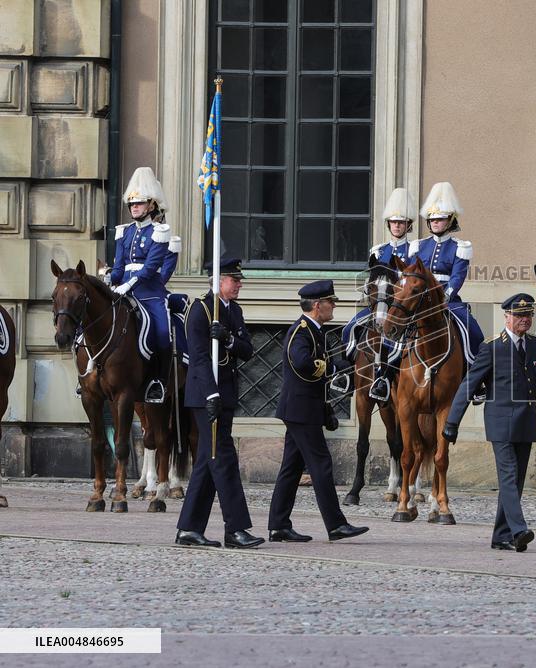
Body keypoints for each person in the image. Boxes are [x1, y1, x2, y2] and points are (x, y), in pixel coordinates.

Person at [443, 294, 536, 552]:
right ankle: (518, 529)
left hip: (525, 423)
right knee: (508, 476)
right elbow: (468, 386)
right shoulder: (492, 347)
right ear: (507, 317)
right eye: (518, 316)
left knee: (516, 482)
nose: (524, 320)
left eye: (528, 316)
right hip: (500, 423)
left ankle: (500, 536)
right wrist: (452, 422)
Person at [268, 280, 369, 543]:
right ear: (317, 305)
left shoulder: (315, 331)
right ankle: (336, 524)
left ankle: (279, 525)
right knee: (321, 465)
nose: (334, 305)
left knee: (291, 468)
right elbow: (301, 362)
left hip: (305, 409)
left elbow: (317, 363)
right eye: (330, 302)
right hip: (300, 410)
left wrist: (345, 362)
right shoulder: (301, 331)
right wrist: (333, 368)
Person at [175, 257, 263, 548]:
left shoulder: (233, 310)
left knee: (206, 461)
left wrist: (226, 341)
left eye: (238, 280)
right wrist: (211, 395)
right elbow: (199, 359)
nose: (238, 284)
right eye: (233, 279)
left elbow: (247, 350)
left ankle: (189, 528)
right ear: (217, 281)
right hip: (206, 396)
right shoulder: (200, 310)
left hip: (225, 394)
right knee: (224, 459)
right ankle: (235, 529)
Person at [341, 187, 415, 402]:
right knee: (350, 328)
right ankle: (345, 375)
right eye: (393, 222)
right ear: (389, 224)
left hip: (401, 309)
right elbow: (370, 280)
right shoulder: (378, 250)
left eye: (401, 222)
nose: (397, 226)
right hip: (378, 305)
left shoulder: (414, 250)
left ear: (408, 225)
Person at [110, 167, 173, 403]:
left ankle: (159, 381)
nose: (134, 207)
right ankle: (91, 373)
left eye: (140, 203)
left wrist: (130, 285)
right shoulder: (123, 233)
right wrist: (111, 281)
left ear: (151, 205)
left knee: (163, 335)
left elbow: (150, 268)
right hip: (124, 291)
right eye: (132, 204)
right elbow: (119, 267)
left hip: (150, 293)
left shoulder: (160, 232)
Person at [410, 182, 485, 365]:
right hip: (419, 301)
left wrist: (444, 297)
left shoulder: (460, 246)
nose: (435, 222)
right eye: (432, 219)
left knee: (474, 331)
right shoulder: (418, 246)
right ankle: (386, 374)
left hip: (448, 301)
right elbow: (411, 278)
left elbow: (457, 277)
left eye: (440, 219)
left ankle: (477, 375)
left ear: (450, 220)